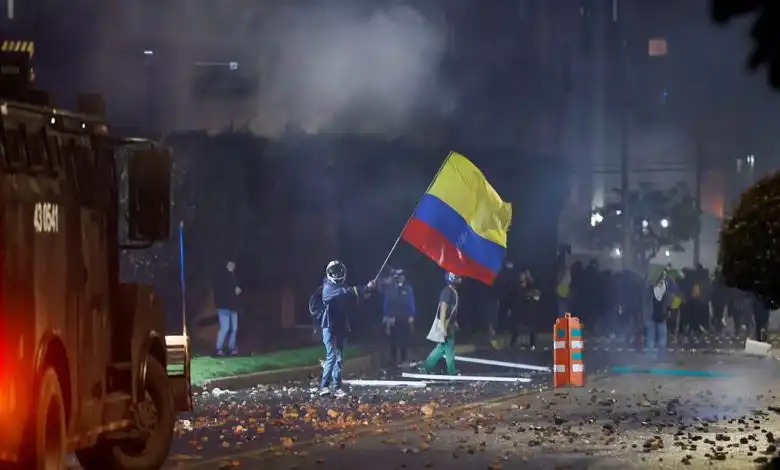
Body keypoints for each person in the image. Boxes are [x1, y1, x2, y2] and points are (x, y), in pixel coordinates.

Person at [318, 260, 376, 397]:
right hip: (329, 326)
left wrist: (365, 293)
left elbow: (350, 297)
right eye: (335, 272)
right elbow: (348, 291)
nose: (338, 274)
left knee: (339, 358)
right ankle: (323, 386)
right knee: (331, 356)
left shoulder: (340, 286)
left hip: (340, 326)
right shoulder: (328, 287)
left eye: (339, 271)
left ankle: (336, 386)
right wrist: (366, 288)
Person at [420, 272, 461, 376]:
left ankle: (425, 367)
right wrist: (442, 326)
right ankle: (452, 372)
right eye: (457, 277)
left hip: (449, 323)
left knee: (441, 348)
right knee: (449, 348)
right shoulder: (447, 291)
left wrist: (454, 321)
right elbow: (443, 308)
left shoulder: (452, 291)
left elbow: (452, 309)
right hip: (445, 324)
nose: (459, 279)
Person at [382, 269, 416, 367]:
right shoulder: (391, 288)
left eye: (401, 276)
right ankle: (393, 360)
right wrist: (386, 315)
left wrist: (411, 315)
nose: (399, 278)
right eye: (397, 276)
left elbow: (411, 302)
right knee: (392, 339)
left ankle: (403, 360)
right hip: (392, 318)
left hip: (404, 317)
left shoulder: (408, 288)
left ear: (404, 277)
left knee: (404, 340)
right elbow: (387, 302)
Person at [214, 260, 241, 356]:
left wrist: (236, 290)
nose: (233, 266)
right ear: (228, 265)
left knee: (234, 328)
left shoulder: (233, 276)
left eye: (234, 264)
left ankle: (232, 348)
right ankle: (218, 349)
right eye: (231, 264)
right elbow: (224, 291)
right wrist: (235, 290)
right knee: (225, 328)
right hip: (224, 306)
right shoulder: (223, 277)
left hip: (233, 306)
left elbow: (234, 288)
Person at [643, 272, 673, 357]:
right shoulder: (665, 291)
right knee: (662, 337)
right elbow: (669, 302)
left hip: (651, 316)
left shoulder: (650, 290)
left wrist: (645, 316)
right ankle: (661, 355)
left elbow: (645, 303)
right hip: (661, 316)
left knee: (651, 337)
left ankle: (650, 355)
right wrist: (668, 311)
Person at [509, 269, 540, 349]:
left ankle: (532, 344)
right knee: (517, 326)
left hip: (528, 309)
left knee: (531, 326)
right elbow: (513, 297)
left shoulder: (531, 286)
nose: (522, 277)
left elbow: (537, 295)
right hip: (518, 309)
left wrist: (530, 296)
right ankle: (513, 342)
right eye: (521, 275)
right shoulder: (515, 286)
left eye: (523, 275)